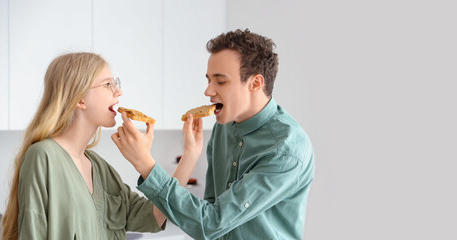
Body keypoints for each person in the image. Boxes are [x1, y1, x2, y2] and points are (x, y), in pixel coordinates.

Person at [114, 29, 315, 239]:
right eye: (209, 80)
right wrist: (191, 152)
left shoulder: (285, 151)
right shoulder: (224, 126)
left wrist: (146, 165)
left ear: (255, 83)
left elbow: (212, 222)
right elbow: (210, 206)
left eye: (220, 81)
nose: (208, 91)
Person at [0, 52, 168, 240]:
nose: (118, 91)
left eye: (115, 83)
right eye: (107, 85)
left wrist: (188, 155)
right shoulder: (43, 157)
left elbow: (154, 215)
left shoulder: (99, 167)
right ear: (80, 99)